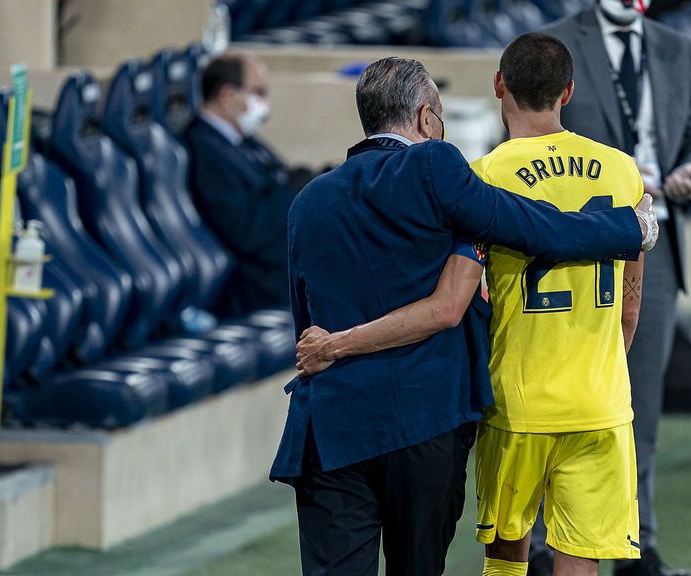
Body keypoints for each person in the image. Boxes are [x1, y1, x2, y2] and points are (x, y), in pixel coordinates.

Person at [272, 56, 661, 576]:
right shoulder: (436, 167)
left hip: (331, 428)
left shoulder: (307, 202)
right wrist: (628, 230)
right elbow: (532, 227)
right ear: (426, 118)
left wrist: (336, 347)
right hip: (423, 421)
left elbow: (305, 319)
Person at [542, 2, 691, 575]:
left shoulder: (678, 48)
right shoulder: (552, 43)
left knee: (642, 405)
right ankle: (546, 544)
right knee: (561, 398)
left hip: (654, 241)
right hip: (576, 246)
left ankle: (637, 540)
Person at [183, 50, 313, 316]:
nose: (265, 104)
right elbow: (249, 231)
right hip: (257, 281)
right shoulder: (204, 148)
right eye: (258, 92)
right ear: (228, 95)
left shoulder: (240, 140)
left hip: (283, 263)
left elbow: (281, 180)